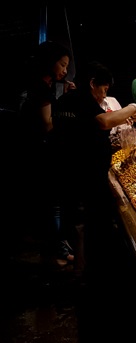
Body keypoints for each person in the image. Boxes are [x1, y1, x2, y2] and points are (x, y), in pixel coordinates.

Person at [54, 61, 136, 274]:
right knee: (85, 226)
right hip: (83, 176)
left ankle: (85, 270)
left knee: (80, 225)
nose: (104, 95)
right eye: (103, 89)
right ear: (92, 83)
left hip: (75, 173)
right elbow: (103, 122)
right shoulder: (80, 99)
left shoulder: (64, 100)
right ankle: (87, 276)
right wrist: (133, 108)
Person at [17, 41, 77, 268]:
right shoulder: (40, 87)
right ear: (49, 63)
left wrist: (63, 99)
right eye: (62, 65)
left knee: (51, 202)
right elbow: (47, 123)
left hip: (36, 150)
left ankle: (56, 244)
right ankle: (56, 249)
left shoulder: (44, 84)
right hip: (39, 152)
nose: (64, 70)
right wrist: (70, 117)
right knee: (53, 203)